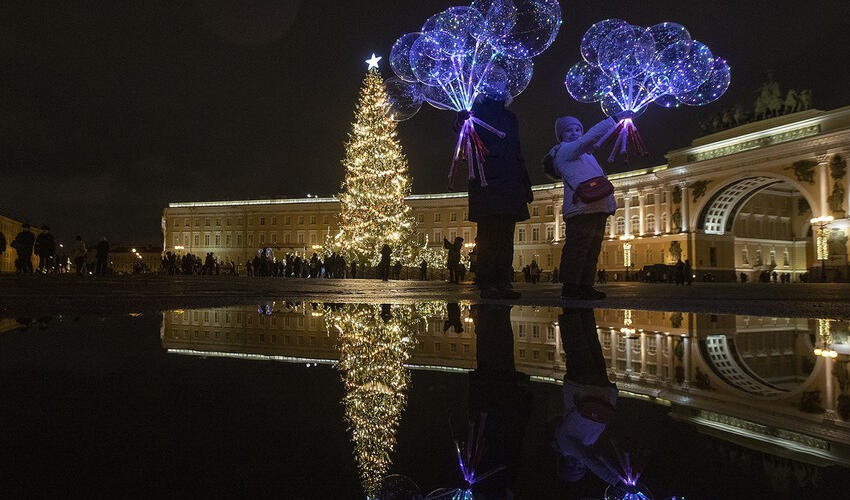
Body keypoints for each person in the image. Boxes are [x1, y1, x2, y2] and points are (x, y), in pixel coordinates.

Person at [548, 112, 631, 300]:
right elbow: (590, 137)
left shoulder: (587, 156)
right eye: (568, 131)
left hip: (597, 207)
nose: (574, 133)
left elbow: (599, 179)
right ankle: (570, 286)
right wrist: (613, 120)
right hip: (580, 209)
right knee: (577, 248)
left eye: (577, 129)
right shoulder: (564, 151)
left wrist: (610, 204)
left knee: (592, 249)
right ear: (561, 135)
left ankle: (586, 285)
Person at [553, 308, 635, 494]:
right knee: (590, 342)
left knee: (578, 346)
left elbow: (591, 460)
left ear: (565, 464)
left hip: (583, 386)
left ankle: (572, 304)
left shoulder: (566, 445)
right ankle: (583, 308)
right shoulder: (584, 443)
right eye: (581, 469)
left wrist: (616, 481)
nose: (580, 465)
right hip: (596, 388)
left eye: (576, 468)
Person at [461, 96, 532, 300]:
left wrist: (525, 183)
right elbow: (463, 135)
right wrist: (461, 121)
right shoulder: (474, 111)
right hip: (487, 182)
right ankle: (488, 282)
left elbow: (517, 149)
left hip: (511, 181)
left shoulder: (510, 117)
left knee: (505, 236)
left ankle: (503, 281)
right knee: (489, 235)